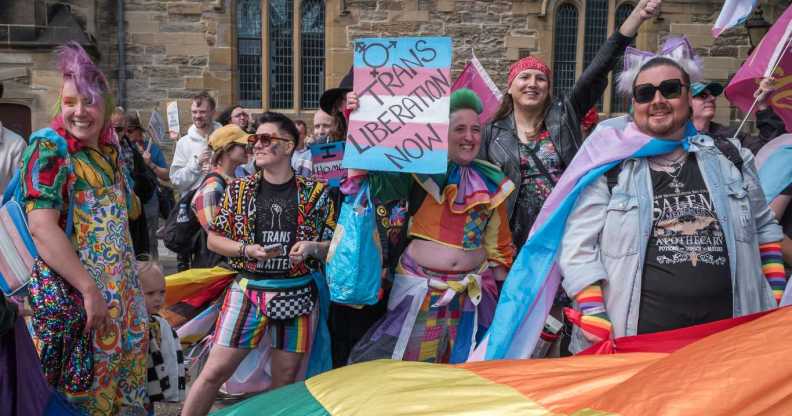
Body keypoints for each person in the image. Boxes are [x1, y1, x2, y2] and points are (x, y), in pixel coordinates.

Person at [558, 52, 784, 353]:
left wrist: (775, 296)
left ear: (688, 96)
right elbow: (577, 248)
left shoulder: (732, 158)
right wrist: (594, 313)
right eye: (645, 93)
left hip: (729, 344)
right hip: (635, 347)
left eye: (670, 89)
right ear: (634, 104)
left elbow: (765, 229)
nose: (658, 100)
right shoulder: (610, 167)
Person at [20, 42, 148, 415]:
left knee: (120, 397)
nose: (79, 111)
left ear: (106, 105)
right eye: (71, 101)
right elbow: (43, 228)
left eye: (89, 101)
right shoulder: (50, 150)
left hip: (122, 303)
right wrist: (89, 290)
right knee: (80, 399)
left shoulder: (110, 151)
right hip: (80, 305)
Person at [181, 112, 335, 416]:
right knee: (213, 372)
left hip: (297, 295)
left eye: (266, 139)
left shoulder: (316, 193)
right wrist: (247, 250)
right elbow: (214, 240)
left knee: (286, 380)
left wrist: (313, 247)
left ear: (289, 146)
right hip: (248, 290)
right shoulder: (239, 190)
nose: (256, 145)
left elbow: (334, 244)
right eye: (254, 139)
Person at [346, 89, 515, 364]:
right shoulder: (420, 171)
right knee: (411, 368)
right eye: (459, 129)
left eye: (475, 129)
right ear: (442, 133)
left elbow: (498, 245)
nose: (469, 137)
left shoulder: (493, 180)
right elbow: (378, 171)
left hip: (474, 296)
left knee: (463, 368)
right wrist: (358, 115)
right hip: (420, 291)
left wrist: (508, 302)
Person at [479, 0, 661, 250]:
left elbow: (598, 69)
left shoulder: (565, 114)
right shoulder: (491, 132)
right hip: (510, 237)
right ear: (510, 88)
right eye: (524, 77)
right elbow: (477, 185)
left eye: (540, 78)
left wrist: (635, 19)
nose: (532, 83)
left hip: (563, 231)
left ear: (548, 88)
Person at [170, 91, 221, 271]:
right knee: (190, 263)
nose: (197, 116)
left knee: (214, 261)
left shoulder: (224, 138)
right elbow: (176, 180)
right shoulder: (184, 143)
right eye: (194, 112)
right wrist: (195, 164)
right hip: (192, 213)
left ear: (213, 112)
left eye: (202, 112)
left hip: (218, 209)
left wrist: (216, 171)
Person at [191, 124, 251, 268]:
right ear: (228, 149)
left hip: (232, 262)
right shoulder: (213, 187)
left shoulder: (234, 178)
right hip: (216, 268)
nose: (247, 149)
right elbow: (216, 237)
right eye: (242, 145)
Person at [690, 79, 785, 154]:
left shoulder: (730, 136)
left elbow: (770, 147)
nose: (712, 98)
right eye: (703, 95)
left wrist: (762, 105)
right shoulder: (677, 136)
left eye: (713, 95)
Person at [139, 259, 185, 412]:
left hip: (159, 392)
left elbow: (170, 353)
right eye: (150, 293)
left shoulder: (160, 323)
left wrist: (181, 370)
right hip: (141, 393)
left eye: (162, 292)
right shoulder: (134, 327)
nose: (158, 298)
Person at [127, 113, 170, 260]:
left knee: (151, 241)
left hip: (148, 200)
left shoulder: (152, 149)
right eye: (126, 131)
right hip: (128, 200)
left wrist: (150, 163)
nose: (129, 135)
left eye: (132, 131)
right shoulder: (119, 148)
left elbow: (166, 175)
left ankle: (154, 270)